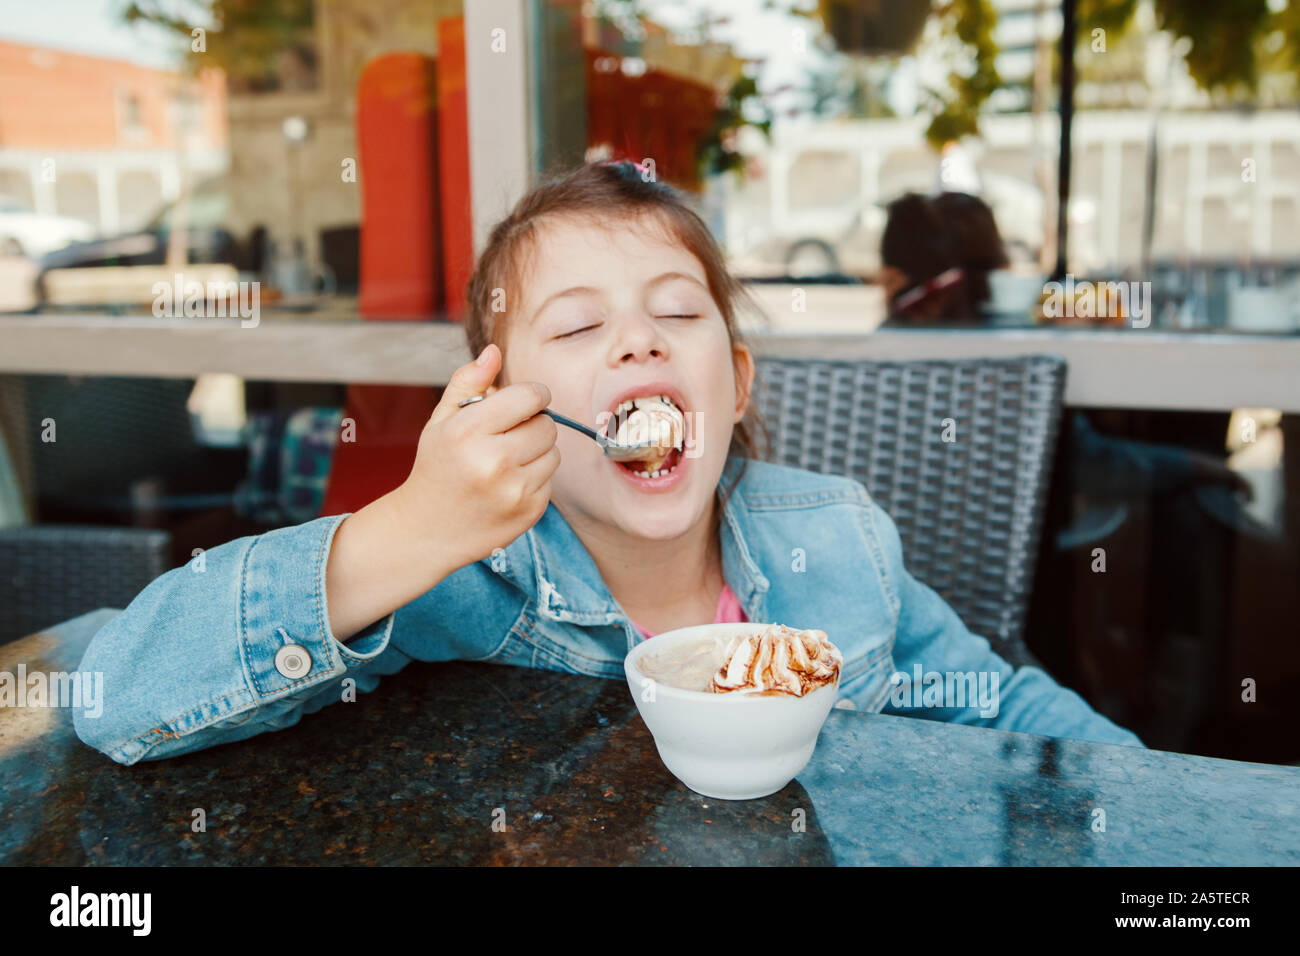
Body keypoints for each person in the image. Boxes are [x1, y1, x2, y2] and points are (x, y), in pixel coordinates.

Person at [72, 160, 1142, 766]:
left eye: (675, 314)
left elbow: (1002, 706)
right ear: (504, 404)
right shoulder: (458, 582)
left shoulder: (838, 537)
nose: (637, 340)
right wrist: (415, 527)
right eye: (577, 329)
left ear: (735, 380)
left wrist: (1164, 806)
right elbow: (116, 694)